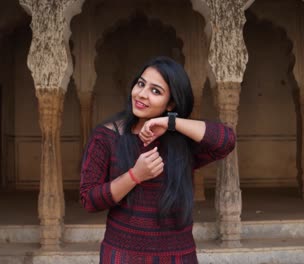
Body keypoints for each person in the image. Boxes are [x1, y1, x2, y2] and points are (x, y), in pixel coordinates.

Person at [80, 56, 236, 263]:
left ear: (171, 103)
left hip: (177, 256)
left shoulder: (182, 141)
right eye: (141, 84)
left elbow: (226, 141)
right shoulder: (107, 136)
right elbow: (89, 200)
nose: (142, 94)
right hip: (122, 255)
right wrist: (135, 175)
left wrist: (172, 123)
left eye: (156, 91)